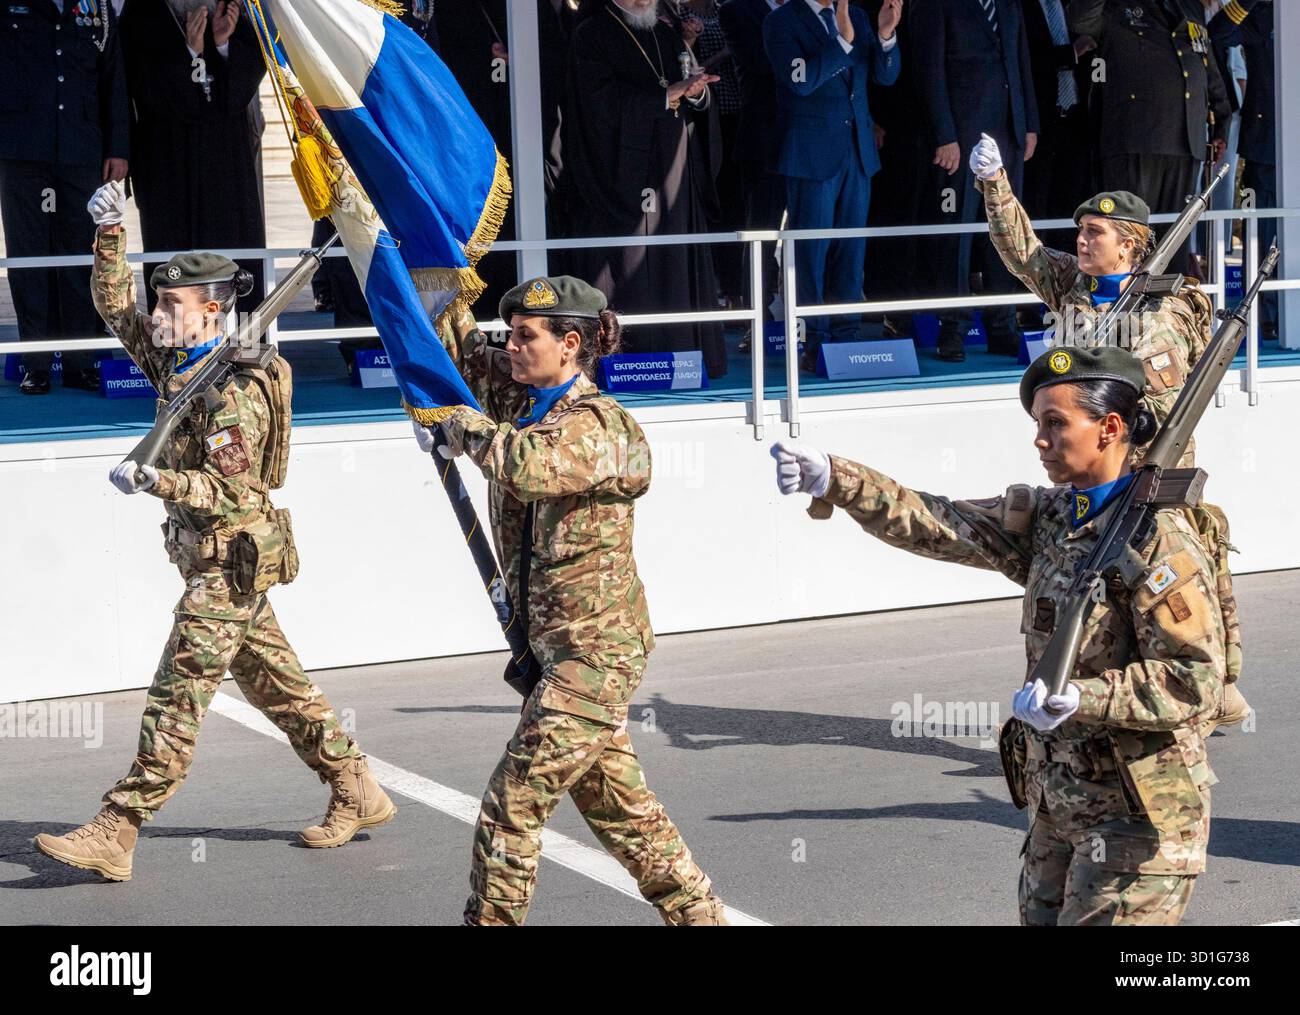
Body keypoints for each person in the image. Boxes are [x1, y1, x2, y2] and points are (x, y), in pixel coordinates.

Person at [772, 346, 1229, 924]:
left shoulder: (1161, 541)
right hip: (1058, 805)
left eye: (1055, 424)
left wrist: (1084, 697)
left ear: (1110, 428)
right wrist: (837, 478)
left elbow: (1196, 681)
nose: (1039, 440)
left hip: (1137, 816)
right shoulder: (1053, 517)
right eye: (1037, 424)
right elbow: (940, 522)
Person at [33, 182, 395, 882]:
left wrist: (158, 480)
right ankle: (356, 783)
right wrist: (111, 232)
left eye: (173, 305)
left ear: (215, 309)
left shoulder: (236, 388)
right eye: (161, 302)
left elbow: (236, 491)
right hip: (212, 558)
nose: (159, 313)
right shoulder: (178, 359)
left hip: (230, 561)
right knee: (279, 686)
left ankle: (119, 825)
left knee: (178, 691)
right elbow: (114, 307)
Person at [414, 275, 727, 925]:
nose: (513, 346)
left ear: (571, 344)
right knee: (627, 820)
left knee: (510, 806)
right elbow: (456, 342)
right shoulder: (520, 396)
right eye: (512, 335)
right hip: (557, 655)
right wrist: (421, 276)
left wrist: (457, 426)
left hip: (594, 654)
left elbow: (524, 465)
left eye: (527, 337)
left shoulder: (598, 426)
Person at [970, 134, 1249, 729]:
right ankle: (1080, 694)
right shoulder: (1069, 288)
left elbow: (1197, 376)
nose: (1082, 240)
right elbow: (1019, 249)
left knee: (1192, 565)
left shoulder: (1177, 303)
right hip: (1095, 470)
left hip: (1158, 465)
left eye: (1095, 232)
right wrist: (995, 184)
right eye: (1081, 231)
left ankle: (1218, 684)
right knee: (1091, 587)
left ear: (1130, 243)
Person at [560, 0, 728, 377]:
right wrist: (664, 97)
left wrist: (697, 93)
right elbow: (595, 104)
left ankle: (679, 358)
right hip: (621, 173)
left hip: (672, 171)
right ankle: (623, 364)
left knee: (672, 263)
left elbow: (690, 91)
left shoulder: (666, 34)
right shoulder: (592, 34)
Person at [763, 0, 902, 371]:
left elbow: (884, 77)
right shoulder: (780, 21)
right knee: (811, 255)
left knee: (851, 253)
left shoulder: (857, 14)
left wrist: (886, 35)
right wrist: (841, 42)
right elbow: (800, 81)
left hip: (857, 153)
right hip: (810, 155)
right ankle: (813, 341)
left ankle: (847, 339)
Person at [0, 0, 129, 395]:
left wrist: (119, 147)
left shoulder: (98, 7)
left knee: (79, 258)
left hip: (80, 150)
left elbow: (113, 78)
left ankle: (80, 361)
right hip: (23, 152)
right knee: (29, 260)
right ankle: (35, 364)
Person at [119, 0, 267, 315]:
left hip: (227, 160)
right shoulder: (142, 11)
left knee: (234, 256)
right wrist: (190, 54)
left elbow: (248, 72)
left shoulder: (232, 8)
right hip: (166, 160)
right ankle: (173, 344)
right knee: (172, 261)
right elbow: (140, 82)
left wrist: (222, 44)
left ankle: (242, 348)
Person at [913, 0, 1039, 362]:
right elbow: (929, 70)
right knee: (956, 234)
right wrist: (944, 135)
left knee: (1005, 230)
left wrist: (1029, 123)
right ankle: (952, 328)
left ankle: (1002, 325)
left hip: (1008, 132)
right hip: (961, 135)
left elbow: (1020, 62)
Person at [1069, 0, 1231, 275]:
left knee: (1175, 239)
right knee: (1128, 236)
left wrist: (1221, 123)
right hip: (1135, 139)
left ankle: (1169, 309)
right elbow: (1080, 20)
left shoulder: (1189, 7)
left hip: (1185, 140)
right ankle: (1125, 309)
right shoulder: (1114, 7)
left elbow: (1205, 64)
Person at [719, 0, 788, 351]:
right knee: (760, 234)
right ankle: (757, 321)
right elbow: (760, 63)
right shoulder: (737, 10)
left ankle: (814, 321)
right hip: (764, 141)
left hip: (812, 140)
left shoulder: (814, 9)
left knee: (813, 237)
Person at [1208, 0, 1276, 338]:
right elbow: (1218, 34)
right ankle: (1265, 314)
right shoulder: (1265, 13)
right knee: (1261, 236)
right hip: (1268, 144)